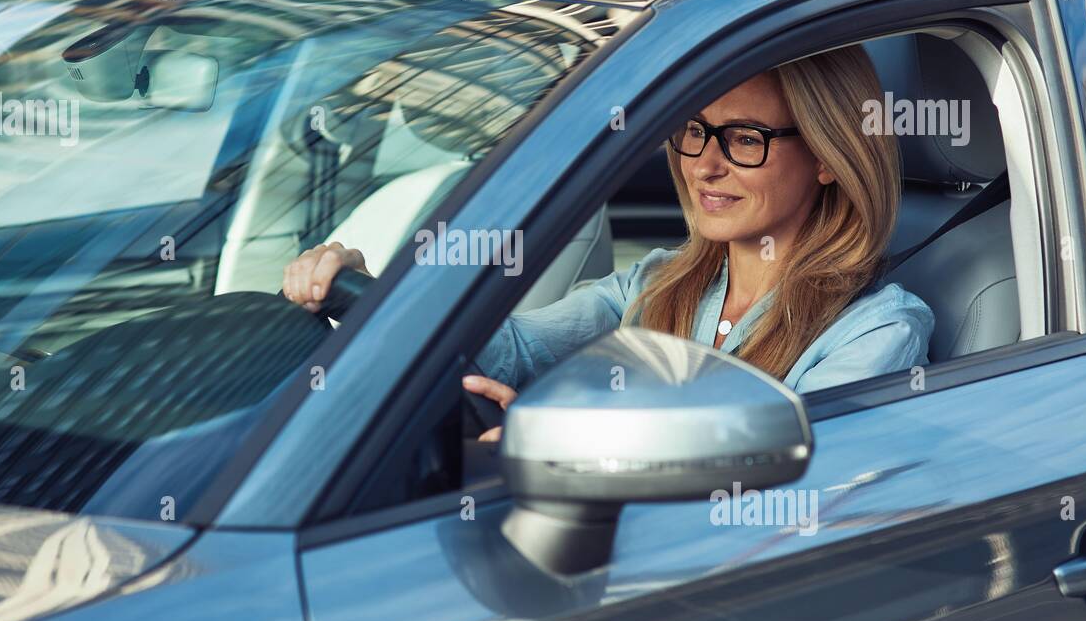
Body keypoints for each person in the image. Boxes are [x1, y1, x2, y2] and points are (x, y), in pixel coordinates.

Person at [282, 45, 934, 437]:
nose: (703, 164)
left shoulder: (877, 329)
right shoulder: (657, 283)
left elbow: (761, 490)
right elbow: (509, 351)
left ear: (826, 154)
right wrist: (386, 293)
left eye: (743, 139)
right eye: (695, 130)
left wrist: (554, 441)